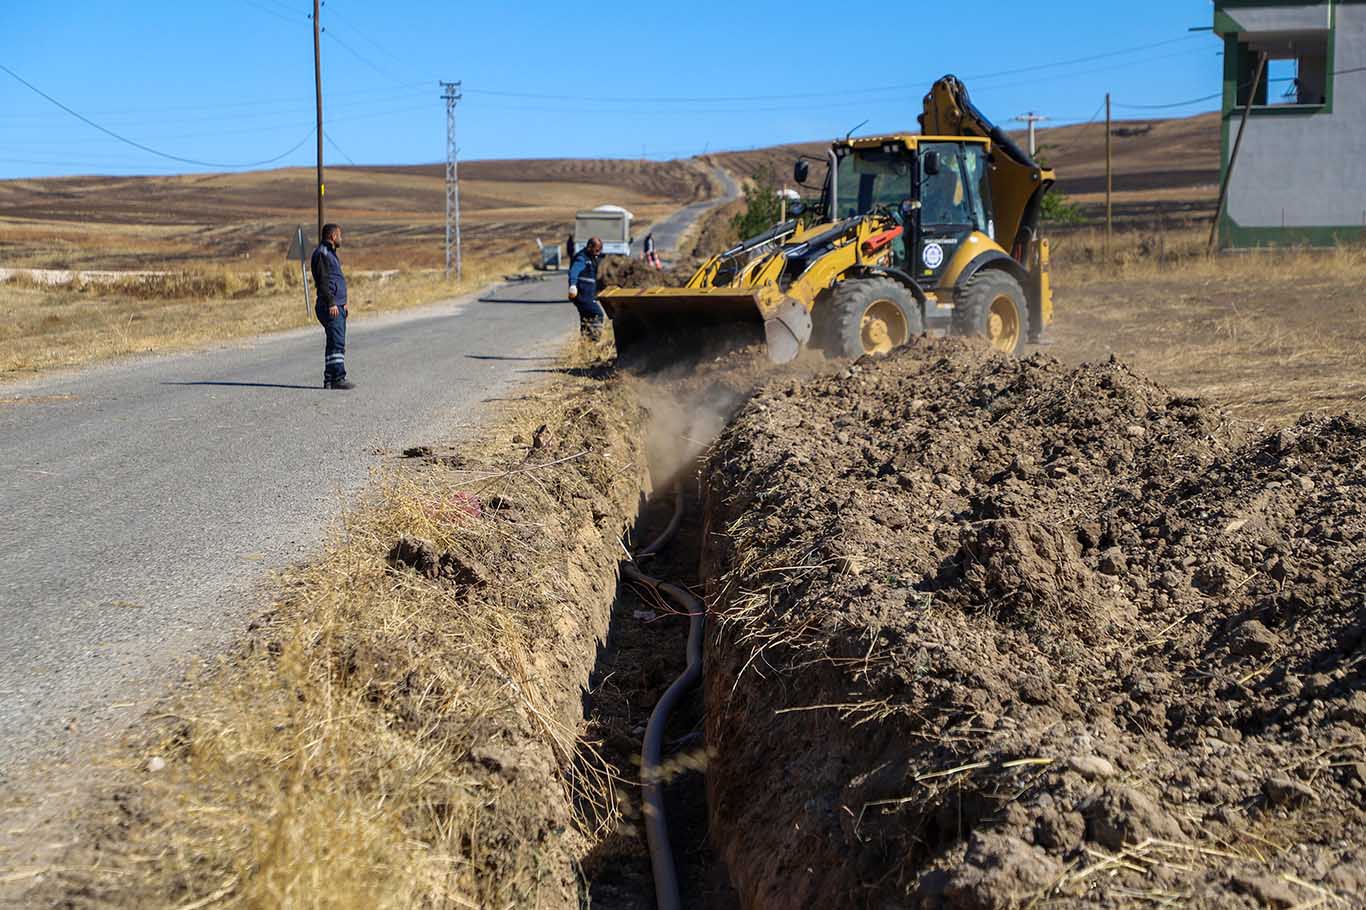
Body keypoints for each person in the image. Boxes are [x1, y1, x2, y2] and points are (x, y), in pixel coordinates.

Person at [311, 223, 354, 390]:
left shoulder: (331, 254)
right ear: (333, 236)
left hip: (338, 305)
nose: (341, 238)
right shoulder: (322, 254)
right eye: (339, 235)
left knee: (334, 342)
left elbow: (336, 279)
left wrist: (344, 302)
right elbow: (323, 282)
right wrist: (331, 302)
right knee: (337, 342)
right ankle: (338, 378)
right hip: (330, 306)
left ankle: (329, 379)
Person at [567, 236, 605, 341]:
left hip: (587, 295)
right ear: (589, 247)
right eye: (597, 249)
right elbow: (573, 271)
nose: (598, 252)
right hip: (582, 295)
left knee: (586, 319)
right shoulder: (582, 258)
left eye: (600, 250)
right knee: (597, 314)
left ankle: (585, 344)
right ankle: (594, 340)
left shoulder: (592, 258)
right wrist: (573, 285)